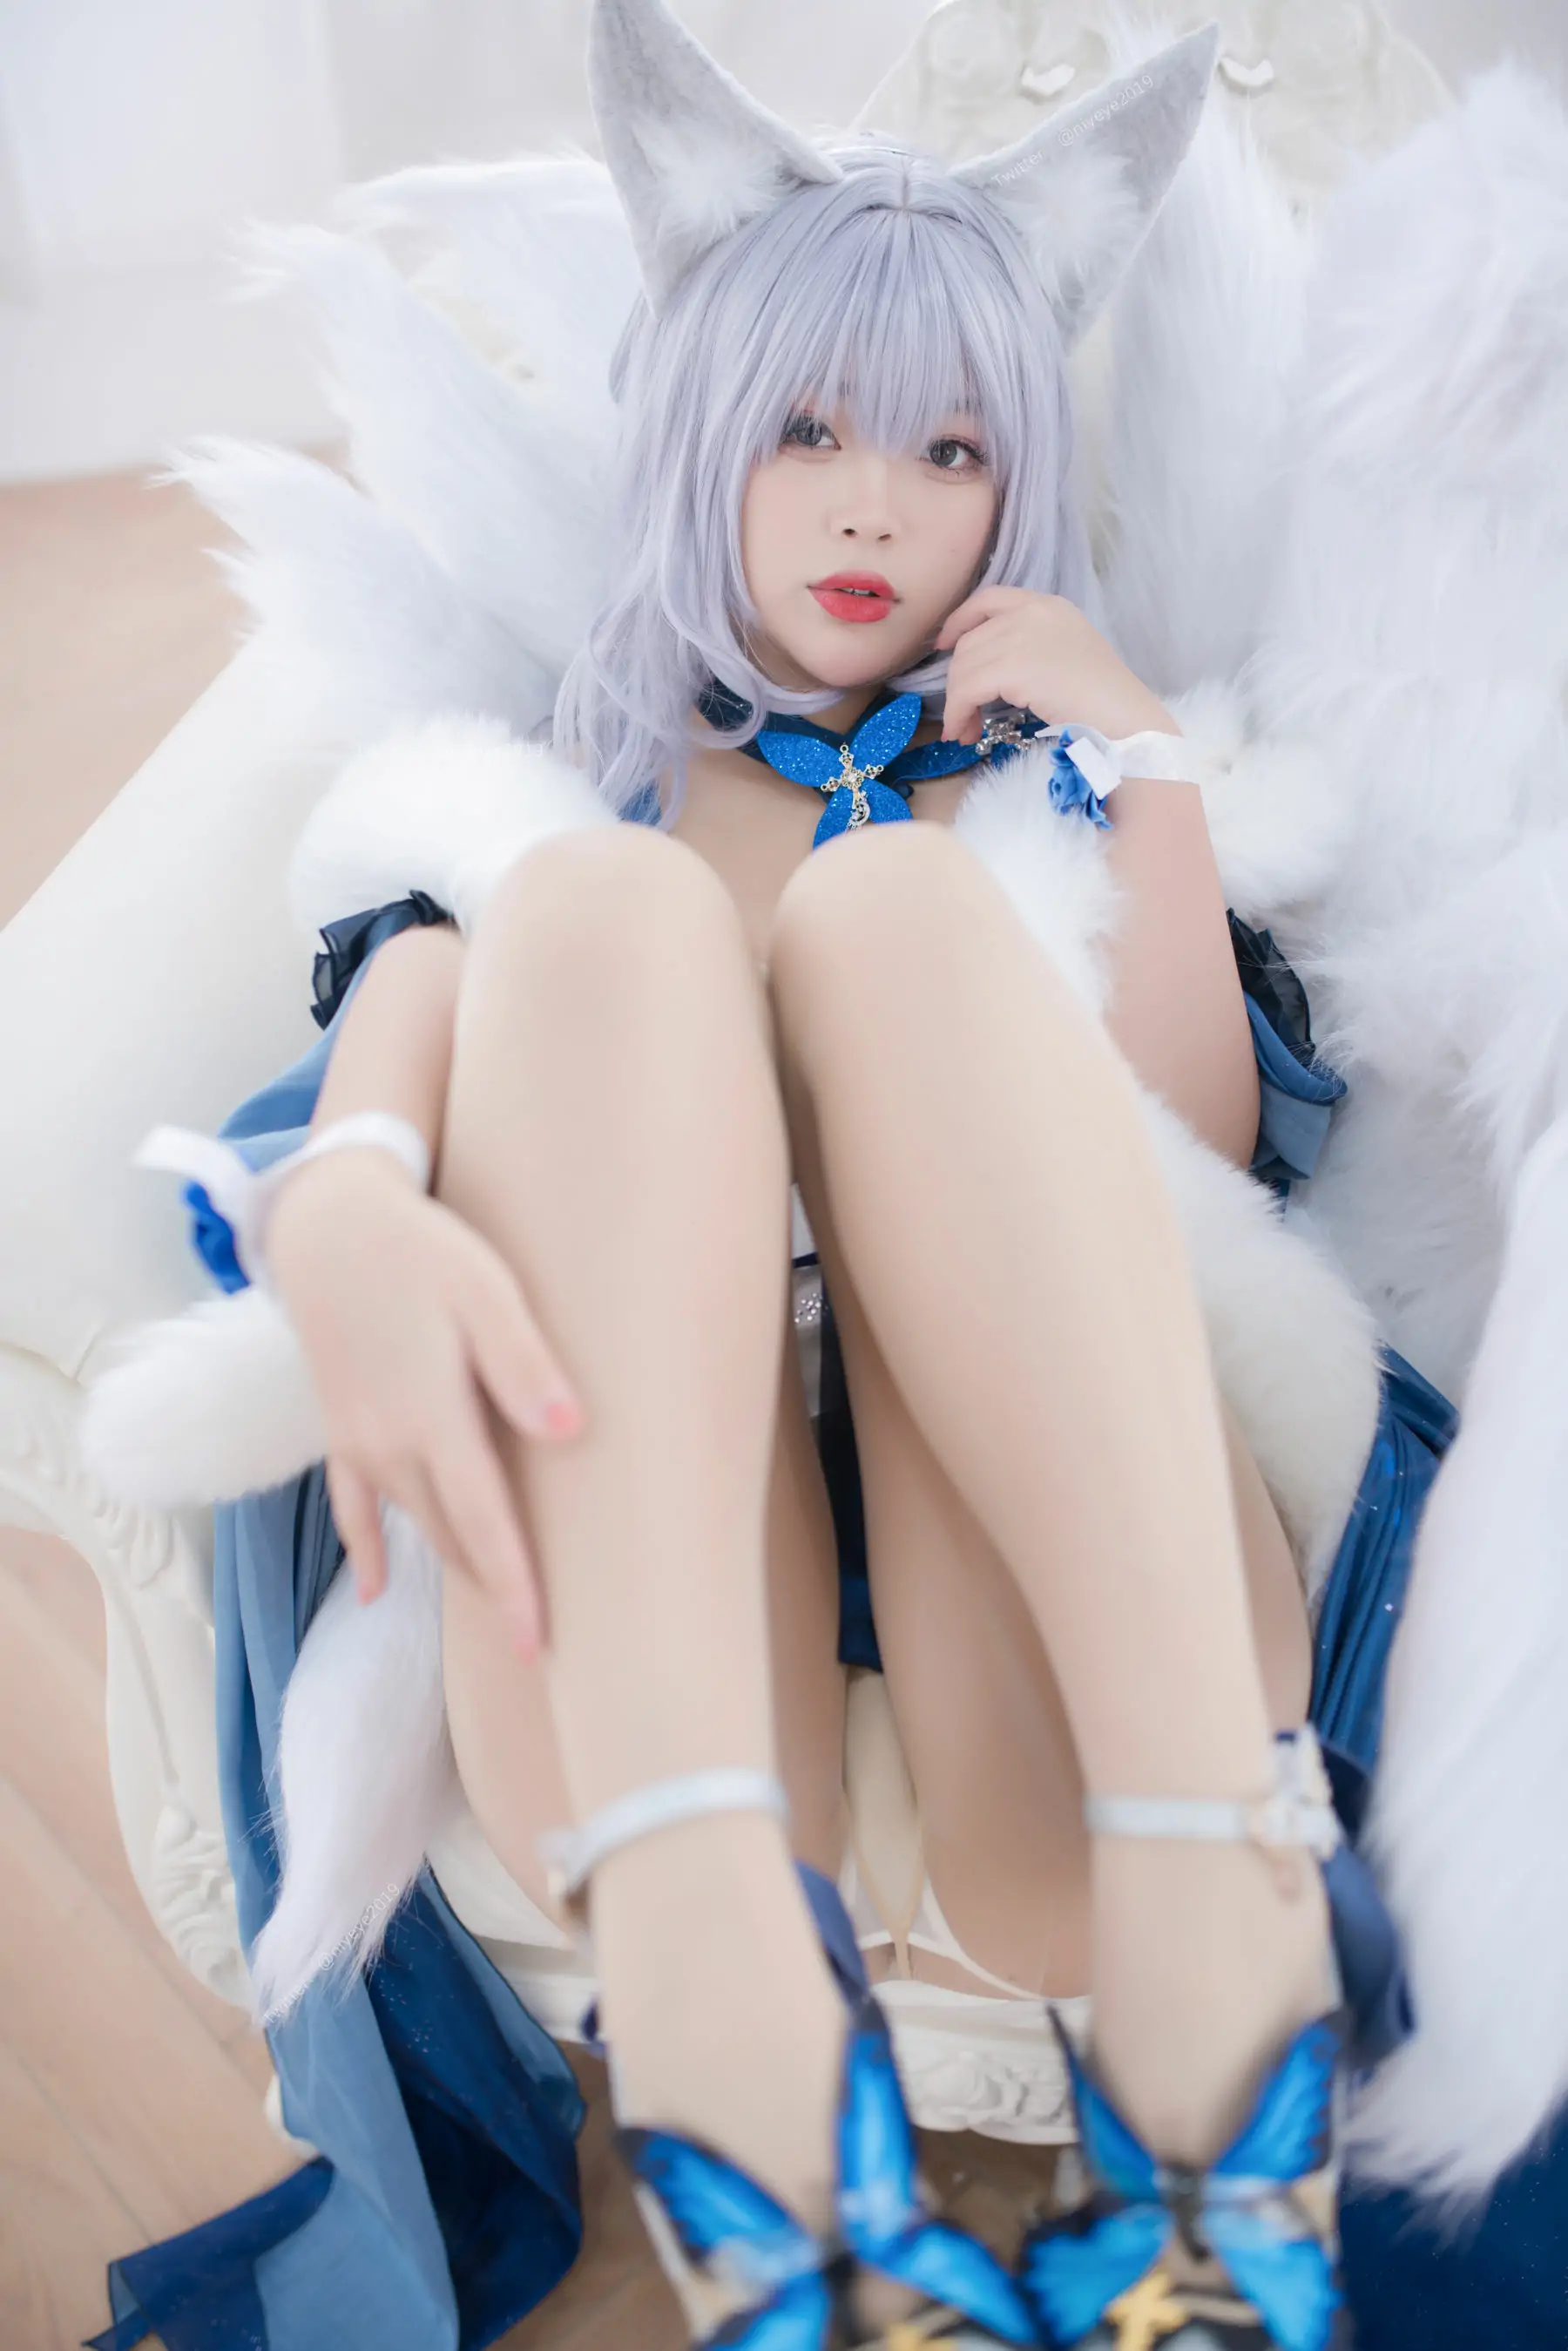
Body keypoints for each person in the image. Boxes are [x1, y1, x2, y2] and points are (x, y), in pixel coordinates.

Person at [85, 8, 1448, 2348]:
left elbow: (1198, 1170)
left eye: (947, 449)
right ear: (702, 437)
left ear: (1015, 493)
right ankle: (741, 2045)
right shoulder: (562, 807)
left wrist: (1142, 766)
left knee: (896, 909)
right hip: (662, 1665)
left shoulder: (1051, 797)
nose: (869, 510)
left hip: (1062, 1651)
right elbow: (379, 1072)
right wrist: (354, 1212)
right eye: (807, 432)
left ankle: (1222, 1968)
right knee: (600, 913)